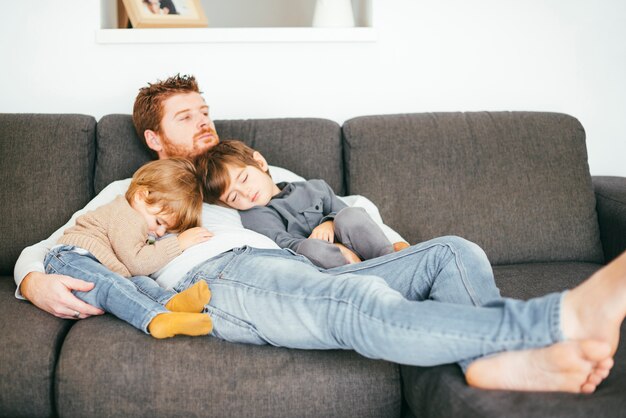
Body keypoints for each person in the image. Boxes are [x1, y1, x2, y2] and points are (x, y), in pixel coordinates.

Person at [12, 74, 623, 393]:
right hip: (226, 277)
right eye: (185, 116)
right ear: (153, 138)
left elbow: (346, 203)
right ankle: (553, 321)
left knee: (453, 254)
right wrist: (34, 280)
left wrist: (390, 244)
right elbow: (51, 246)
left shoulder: (261, 171)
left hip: (319, 264)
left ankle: (489, 365)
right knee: (357, 303)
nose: (203, 121)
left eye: (205, 110)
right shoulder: (133, 187)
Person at [44, 158, 214, 338]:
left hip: (97, 266)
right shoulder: (127, 216)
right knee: (112, 285)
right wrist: (178, 243)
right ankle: (156, 319)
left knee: (142, 283)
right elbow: (137, 263)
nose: (159, 232)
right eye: (159, 222)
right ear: (141, 196)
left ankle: (170, 303)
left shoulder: (139, 221)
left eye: (167, 230)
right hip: (70, 260)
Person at [198, 140, 395, 268]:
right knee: (309, 249)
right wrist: (331, 247)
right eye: (233, 197)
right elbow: (283, 244)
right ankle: (362, 275)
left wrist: (329, 223)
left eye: (243, 179)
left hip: (362, 247)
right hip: (329, 264)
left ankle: (392, 259)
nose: (245, 193)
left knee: (351, 215)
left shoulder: (314, 187)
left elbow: (346, 211)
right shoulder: (255, 215)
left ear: (259, 163)